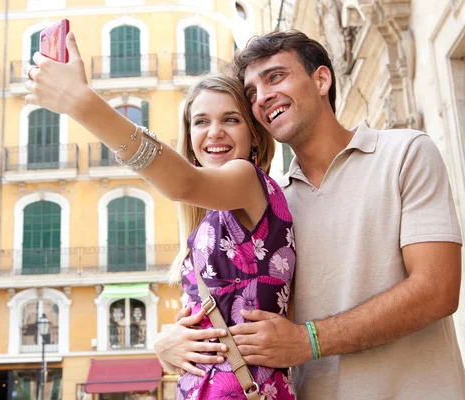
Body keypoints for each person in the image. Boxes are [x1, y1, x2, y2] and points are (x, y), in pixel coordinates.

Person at [23, 33, 296, 399]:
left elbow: (182, 182)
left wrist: (82, 103)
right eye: (200, 122)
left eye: (230, 119)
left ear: (255, 137)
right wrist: (165, 344)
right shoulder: (214, 215)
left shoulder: (249, 181)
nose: (214, 132)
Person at [223, 30, 464, 399]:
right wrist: (175, 340)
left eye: (275, 77)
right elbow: (239, 309)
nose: (262, 98)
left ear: (321, 79)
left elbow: (438, 289)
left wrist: (309, 341)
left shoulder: (405, 153)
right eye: (252, 92)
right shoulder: (270, 204)